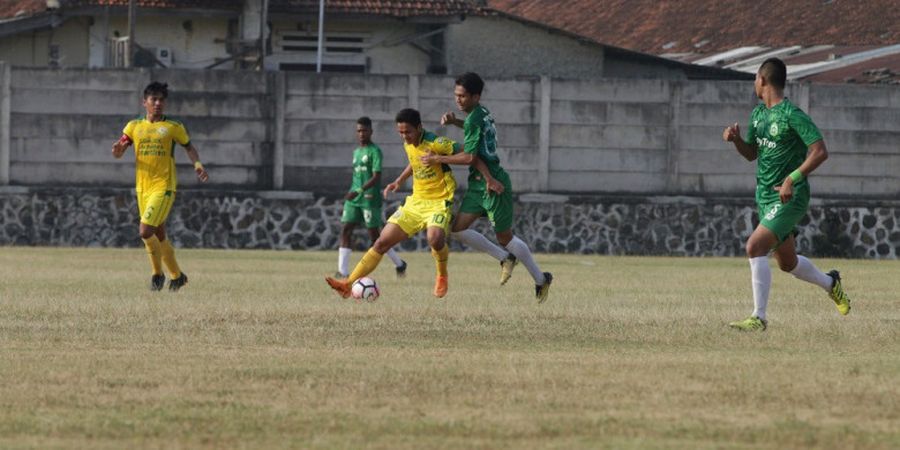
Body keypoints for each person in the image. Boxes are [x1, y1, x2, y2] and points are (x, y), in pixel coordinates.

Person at [723, 58, 851, 331]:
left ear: (763, 80)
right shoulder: (758, 115)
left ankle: (759, 318)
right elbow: (752, 155)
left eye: (755, 78)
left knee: (754, 246)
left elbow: (820, 151)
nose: (754, 84)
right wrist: (736, 141)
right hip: (766, 197)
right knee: (787, 263)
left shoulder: (793, 115)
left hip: (790, 196)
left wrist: (793, 178)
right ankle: (831, 283)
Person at [431, 72, 553, 303]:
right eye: (456, 95)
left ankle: (540, 278)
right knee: (456, 229)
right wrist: (455, 121)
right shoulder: (480, 112)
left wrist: (438, 159)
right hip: (479, 183)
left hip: (493, 183)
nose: (458, 100)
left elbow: (469, 157)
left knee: (504, 236)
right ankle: (504, 258)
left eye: (463, 96)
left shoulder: (476, 117)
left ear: (476, 96)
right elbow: (473, 131)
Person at [326, 109, 460, 298]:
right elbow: (415, 163)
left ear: (419, 128)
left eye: (408, 132)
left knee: (435, 239)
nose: (404, 136)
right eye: (401, 132)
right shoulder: (408, 143)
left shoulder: (435, 142)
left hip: (439, 200)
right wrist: (399, 180)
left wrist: (438, 158)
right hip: (416, 202)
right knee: (381, 242)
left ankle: (442, 275)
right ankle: (347, 285)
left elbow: (466, 155)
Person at [111, 81, 209, 291]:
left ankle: (157, 274)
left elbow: (189, 147)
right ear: (144, 102)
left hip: (164, 186)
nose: (158, 103)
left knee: (145, 231)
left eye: (161, 100)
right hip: (142, 188)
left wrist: (198, 165)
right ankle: (177, 276)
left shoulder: (173, 127)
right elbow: (121, 149)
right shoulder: (133, 127)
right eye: (153, 99)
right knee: (159, 234)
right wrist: (117, 151)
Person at [335, 116, 407, 279]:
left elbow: (376, 177)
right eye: (359, 131)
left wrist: (359, 190)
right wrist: (353, 191)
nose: (361, 134)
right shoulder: (356, 152)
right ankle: (342, 271)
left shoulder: (375, 151)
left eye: (364, 130)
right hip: (354, 198)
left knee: (375, 237)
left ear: (371, 132)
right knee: (346, 229)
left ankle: (400, 263)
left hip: (368, 198)